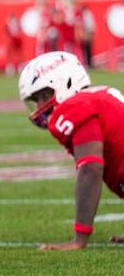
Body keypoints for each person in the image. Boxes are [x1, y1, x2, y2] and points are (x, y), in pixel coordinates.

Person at [18, 51, 124, 251]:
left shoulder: (75, 106)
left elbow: (91, 167)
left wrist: (79, 239)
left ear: (65, 83)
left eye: (44, 96)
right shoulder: (99, 95)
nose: (40, 105)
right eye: (36, 99)